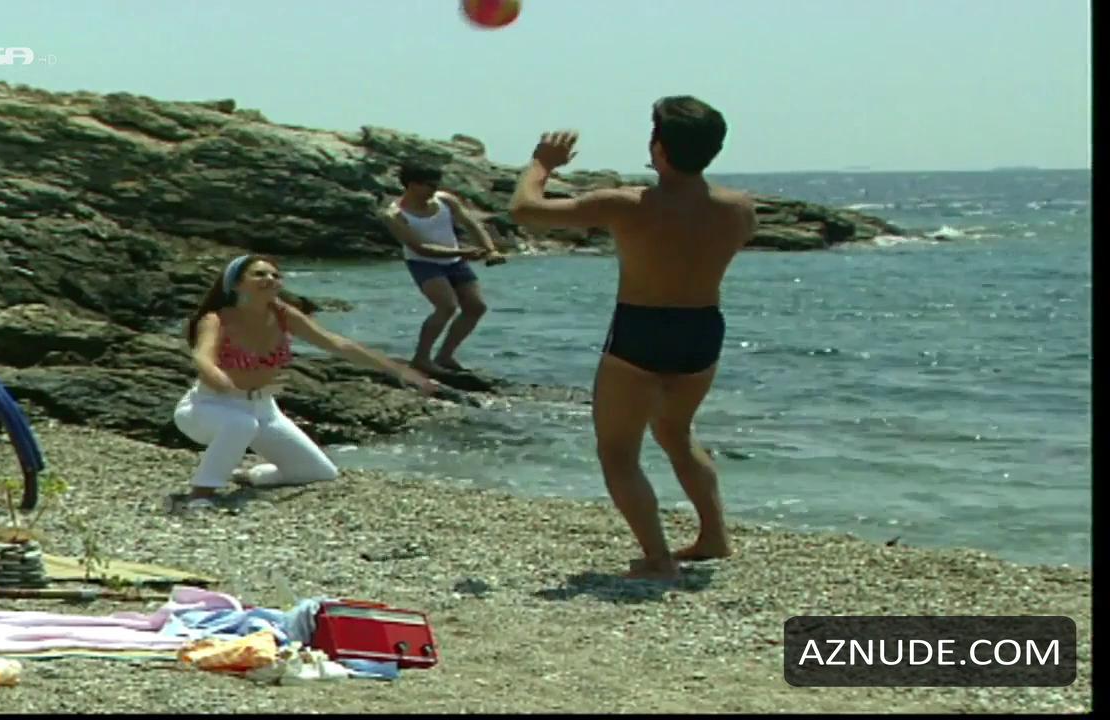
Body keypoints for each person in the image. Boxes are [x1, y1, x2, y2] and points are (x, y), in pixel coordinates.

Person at [508, 96, 756, 580]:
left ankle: (658, 560)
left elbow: (525, 209)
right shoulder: (739, 208)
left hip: (641, 328)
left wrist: (542, 163)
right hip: (703, 330)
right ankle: (713, 536)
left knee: (618, 452)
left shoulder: (627, 203)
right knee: (676, 433)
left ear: (659, 148)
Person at [174, 254, 438, 510]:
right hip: (208, 407)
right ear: (236, 284)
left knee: (317, 471)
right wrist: (224, 383)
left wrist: (400, 371)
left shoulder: (283, 315)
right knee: (241, 424)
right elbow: (203, 358)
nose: (270, 279)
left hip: (264, 409)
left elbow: (337, 344)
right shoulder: (216, 319)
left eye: (275, 275)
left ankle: (250, 475)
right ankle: (201, 494)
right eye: (259, 274)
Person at [379, 162, 507, 374]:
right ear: (412, 185)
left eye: (436, 184)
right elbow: (420, 248)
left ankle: (445, 356)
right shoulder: (394, 215)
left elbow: (471, 224)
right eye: (429, 185)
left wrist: (490, 250)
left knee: (476, 307)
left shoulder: (445, 200)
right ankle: (421, 358)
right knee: (446, 306)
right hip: (423, 263)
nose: (434, 189)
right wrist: (462, 252)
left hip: (454, 261)